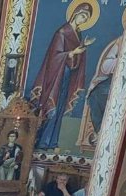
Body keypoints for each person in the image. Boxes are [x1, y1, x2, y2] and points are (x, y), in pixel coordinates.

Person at [27, 2, 93, 150]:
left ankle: (53, 142)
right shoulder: (62, 32)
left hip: (67, 75)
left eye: (86, 18)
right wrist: (73, 53)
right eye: (82, 16)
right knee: (53, 108)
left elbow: (75, 58)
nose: (83, 20)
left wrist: (82, 48)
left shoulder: (78, 34)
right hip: (56, 77)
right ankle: (43, 142)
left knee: (61, 109)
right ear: (76, 13)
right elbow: (54, 57)